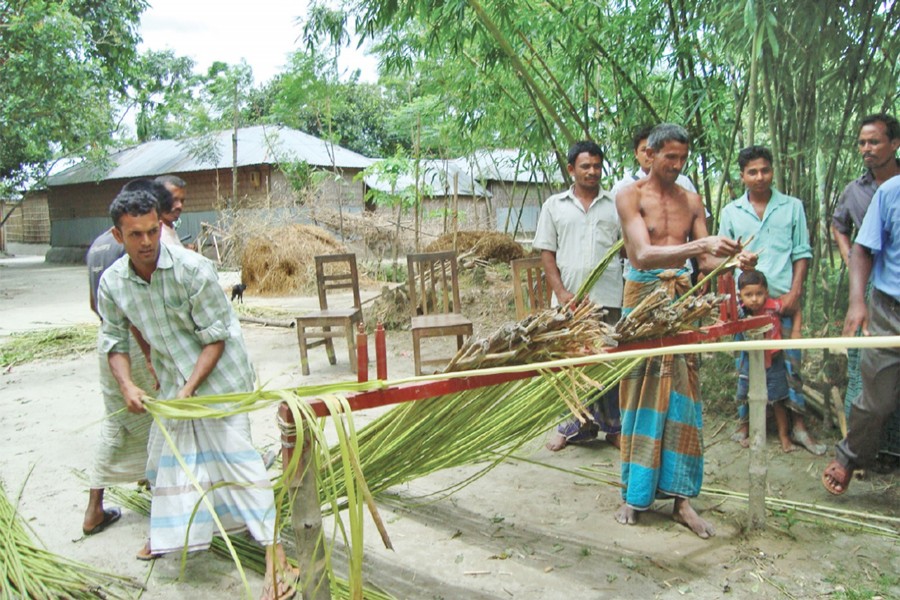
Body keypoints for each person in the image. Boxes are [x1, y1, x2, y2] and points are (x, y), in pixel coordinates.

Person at [97, 189, 294, 598]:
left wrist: (189, 389)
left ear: (161, 226)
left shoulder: (193, 270)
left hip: (219, 381)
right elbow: (114, 340)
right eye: (136, 235)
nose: (147, 242)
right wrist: (128, 383)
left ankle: (279, 558)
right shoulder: (113, 283)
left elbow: (216, 338)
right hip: (174, 384)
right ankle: (168, 533)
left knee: (238, 464)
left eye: (153, 231)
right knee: (162, 461)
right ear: (119, 237)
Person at [615, 123, 751, 538]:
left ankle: (681, 501)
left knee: (684, 397)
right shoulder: (629, 194)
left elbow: (706, 263)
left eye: (681, 159)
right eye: (669, 157)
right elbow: (641, 254)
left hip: (683, 302)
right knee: (638, 390)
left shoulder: (691, 200)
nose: (675, 165)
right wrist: (700, 249)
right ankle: (633, 494)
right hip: (643, 301)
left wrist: (733, 261)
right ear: (650, 155)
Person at [81, 179, 174, 536]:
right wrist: (148, 354)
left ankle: (96, 508)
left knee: (117, 423)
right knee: (153, 422)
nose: (146, 240)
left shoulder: (98, 245)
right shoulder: (136, 248)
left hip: (107, 342)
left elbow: (97, 306)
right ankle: (162, 508)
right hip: (130, 347)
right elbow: (133, 309)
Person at [718, 145, 825, 455]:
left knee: (791, 366)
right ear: (742, 176)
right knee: (746, 366)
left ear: (773, 171)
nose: (760, 176)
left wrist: (795, 292)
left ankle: (799, 427)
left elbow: (802, 252)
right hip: (746, 305)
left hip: (782, 300)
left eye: (765, 170)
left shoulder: (792, 207)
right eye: (752, 171)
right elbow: (723, 259)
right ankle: (744, 424)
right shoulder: (731, 212)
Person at [533, 140, 623, 452]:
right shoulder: (554, 206)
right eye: (585, 166)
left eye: (597, 166)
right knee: (570, 365)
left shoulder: (616, 205)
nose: (592, 172)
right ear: (572, 169)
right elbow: (547, 252)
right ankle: (572, 426)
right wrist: (560, 292)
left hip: (608, 297)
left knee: (609, 362)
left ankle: (613, 427)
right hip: (569, 300)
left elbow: (627, 248)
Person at [822, 174, 900, 495]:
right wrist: (857, 302)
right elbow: (862, 248)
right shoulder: (891, 192)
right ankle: (850, 457)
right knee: (875, 399)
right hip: (890, 308)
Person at [831, 113, 900, 469]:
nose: (867, 149)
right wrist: (856, 296)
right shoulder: (863, 190)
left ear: (895, 144)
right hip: (880, 296)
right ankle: (853, 456)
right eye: (862, 142)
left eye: (874, 141)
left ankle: (889, 453)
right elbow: (843, 230)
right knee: (870, 384)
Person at [732, 270, 802, 453]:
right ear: (741, 296)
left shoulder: (774, 306)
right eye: (748, 295)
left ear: (766, 292)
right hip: (750, 360)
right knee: (746, 395)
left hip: (775, 360)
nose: (754, 299)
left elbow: (796, 308)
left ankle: (784, 437)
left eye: (759, 294)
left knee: (778, 399)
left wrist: (796, 331)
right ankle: (746, 429)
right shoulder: (740, 312)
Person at [610, 124, 697, 199]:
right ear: (636, 153)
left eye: (654, 150)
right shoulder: (622, 188)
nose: (649, 155)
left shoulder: (683, 183)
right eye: (644, 150)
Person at [154, 174, 186, 247]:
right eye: (174, 200)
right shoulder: (156, 237)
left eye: (182, 201)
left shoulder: (169, 228)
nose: (180, 205)